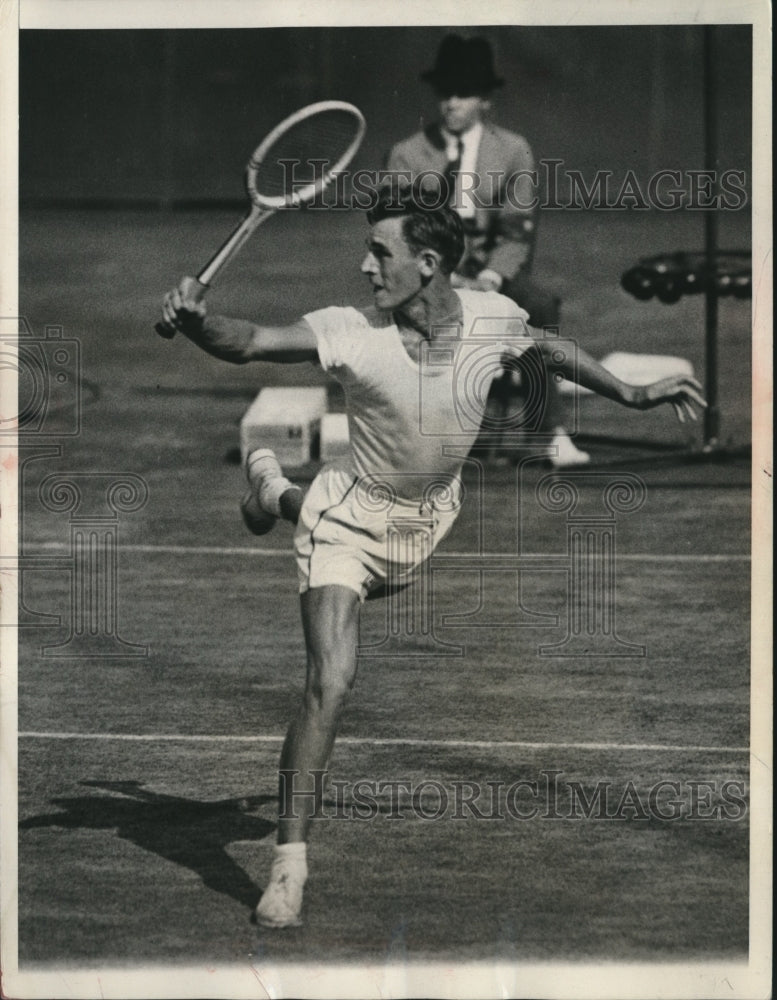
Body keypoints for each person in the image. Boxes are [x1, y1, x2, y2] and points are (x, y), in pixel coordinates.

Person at [159, 179, 705, 929]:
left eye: (378, 252)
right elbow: (251, 341)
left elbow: (546, 347)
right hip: (345, 523)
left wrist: (631, 395)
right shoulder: (350, 330)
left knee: (324, 536)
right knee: (332, 681)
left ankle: (272, 491)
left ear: (424, 263)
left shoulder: (490, 317)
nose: (363, 266)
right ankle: (289, 868)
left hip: (426, 521)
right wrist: (196, 322)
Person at [385, 33, 589, 466]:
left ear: (484, 100)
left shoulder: (512, 150)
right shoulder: (407, 154)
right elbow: (398, 229)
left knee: (540, 306)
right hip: (432, 275)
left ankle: (546, 431)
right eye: (445, 93)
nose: (451, 103)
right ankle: (426, 429)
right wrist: (442, 276)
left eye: (463, 93)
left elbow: (518, 230)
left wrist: (491, 277)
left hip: (494, 274)